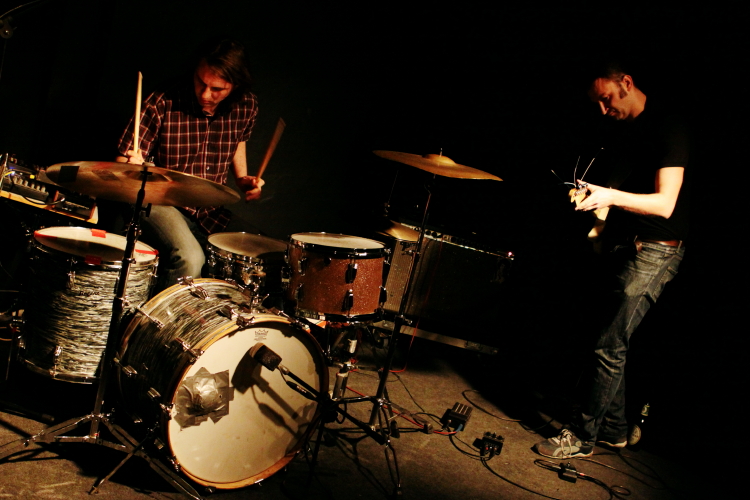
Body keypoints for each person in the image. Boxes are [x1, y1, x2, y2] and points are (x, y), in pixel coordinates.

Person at [535, 61, 689, 459]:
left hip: (656, 250)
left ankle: (582, 437)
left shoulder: (668, 126)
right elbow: (620, 193)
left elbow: (665, 204)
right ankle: (615, 429)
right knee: (608, 342)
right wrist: (597, 207)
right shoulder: (628, 131)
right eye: (597, 104)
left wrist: (609, 197)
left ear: (627, 83)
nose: (604, 110)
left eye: (607, 99)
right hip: (626, 245)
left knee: (608, 344)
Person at [116, 37, 263, 290]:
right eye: (200, 82)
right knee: (191, 258)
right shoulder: (163, 100)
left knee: (261, 253)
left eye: (216, 89)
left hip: (209, 209)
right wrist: (132, 164)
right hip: (162, 201)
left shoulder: (246, 105)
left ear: (235, 85)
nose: (205, 94)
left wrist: (242, 178)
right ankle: (165, 317)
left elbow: (239, 138)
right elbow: (122, 159)